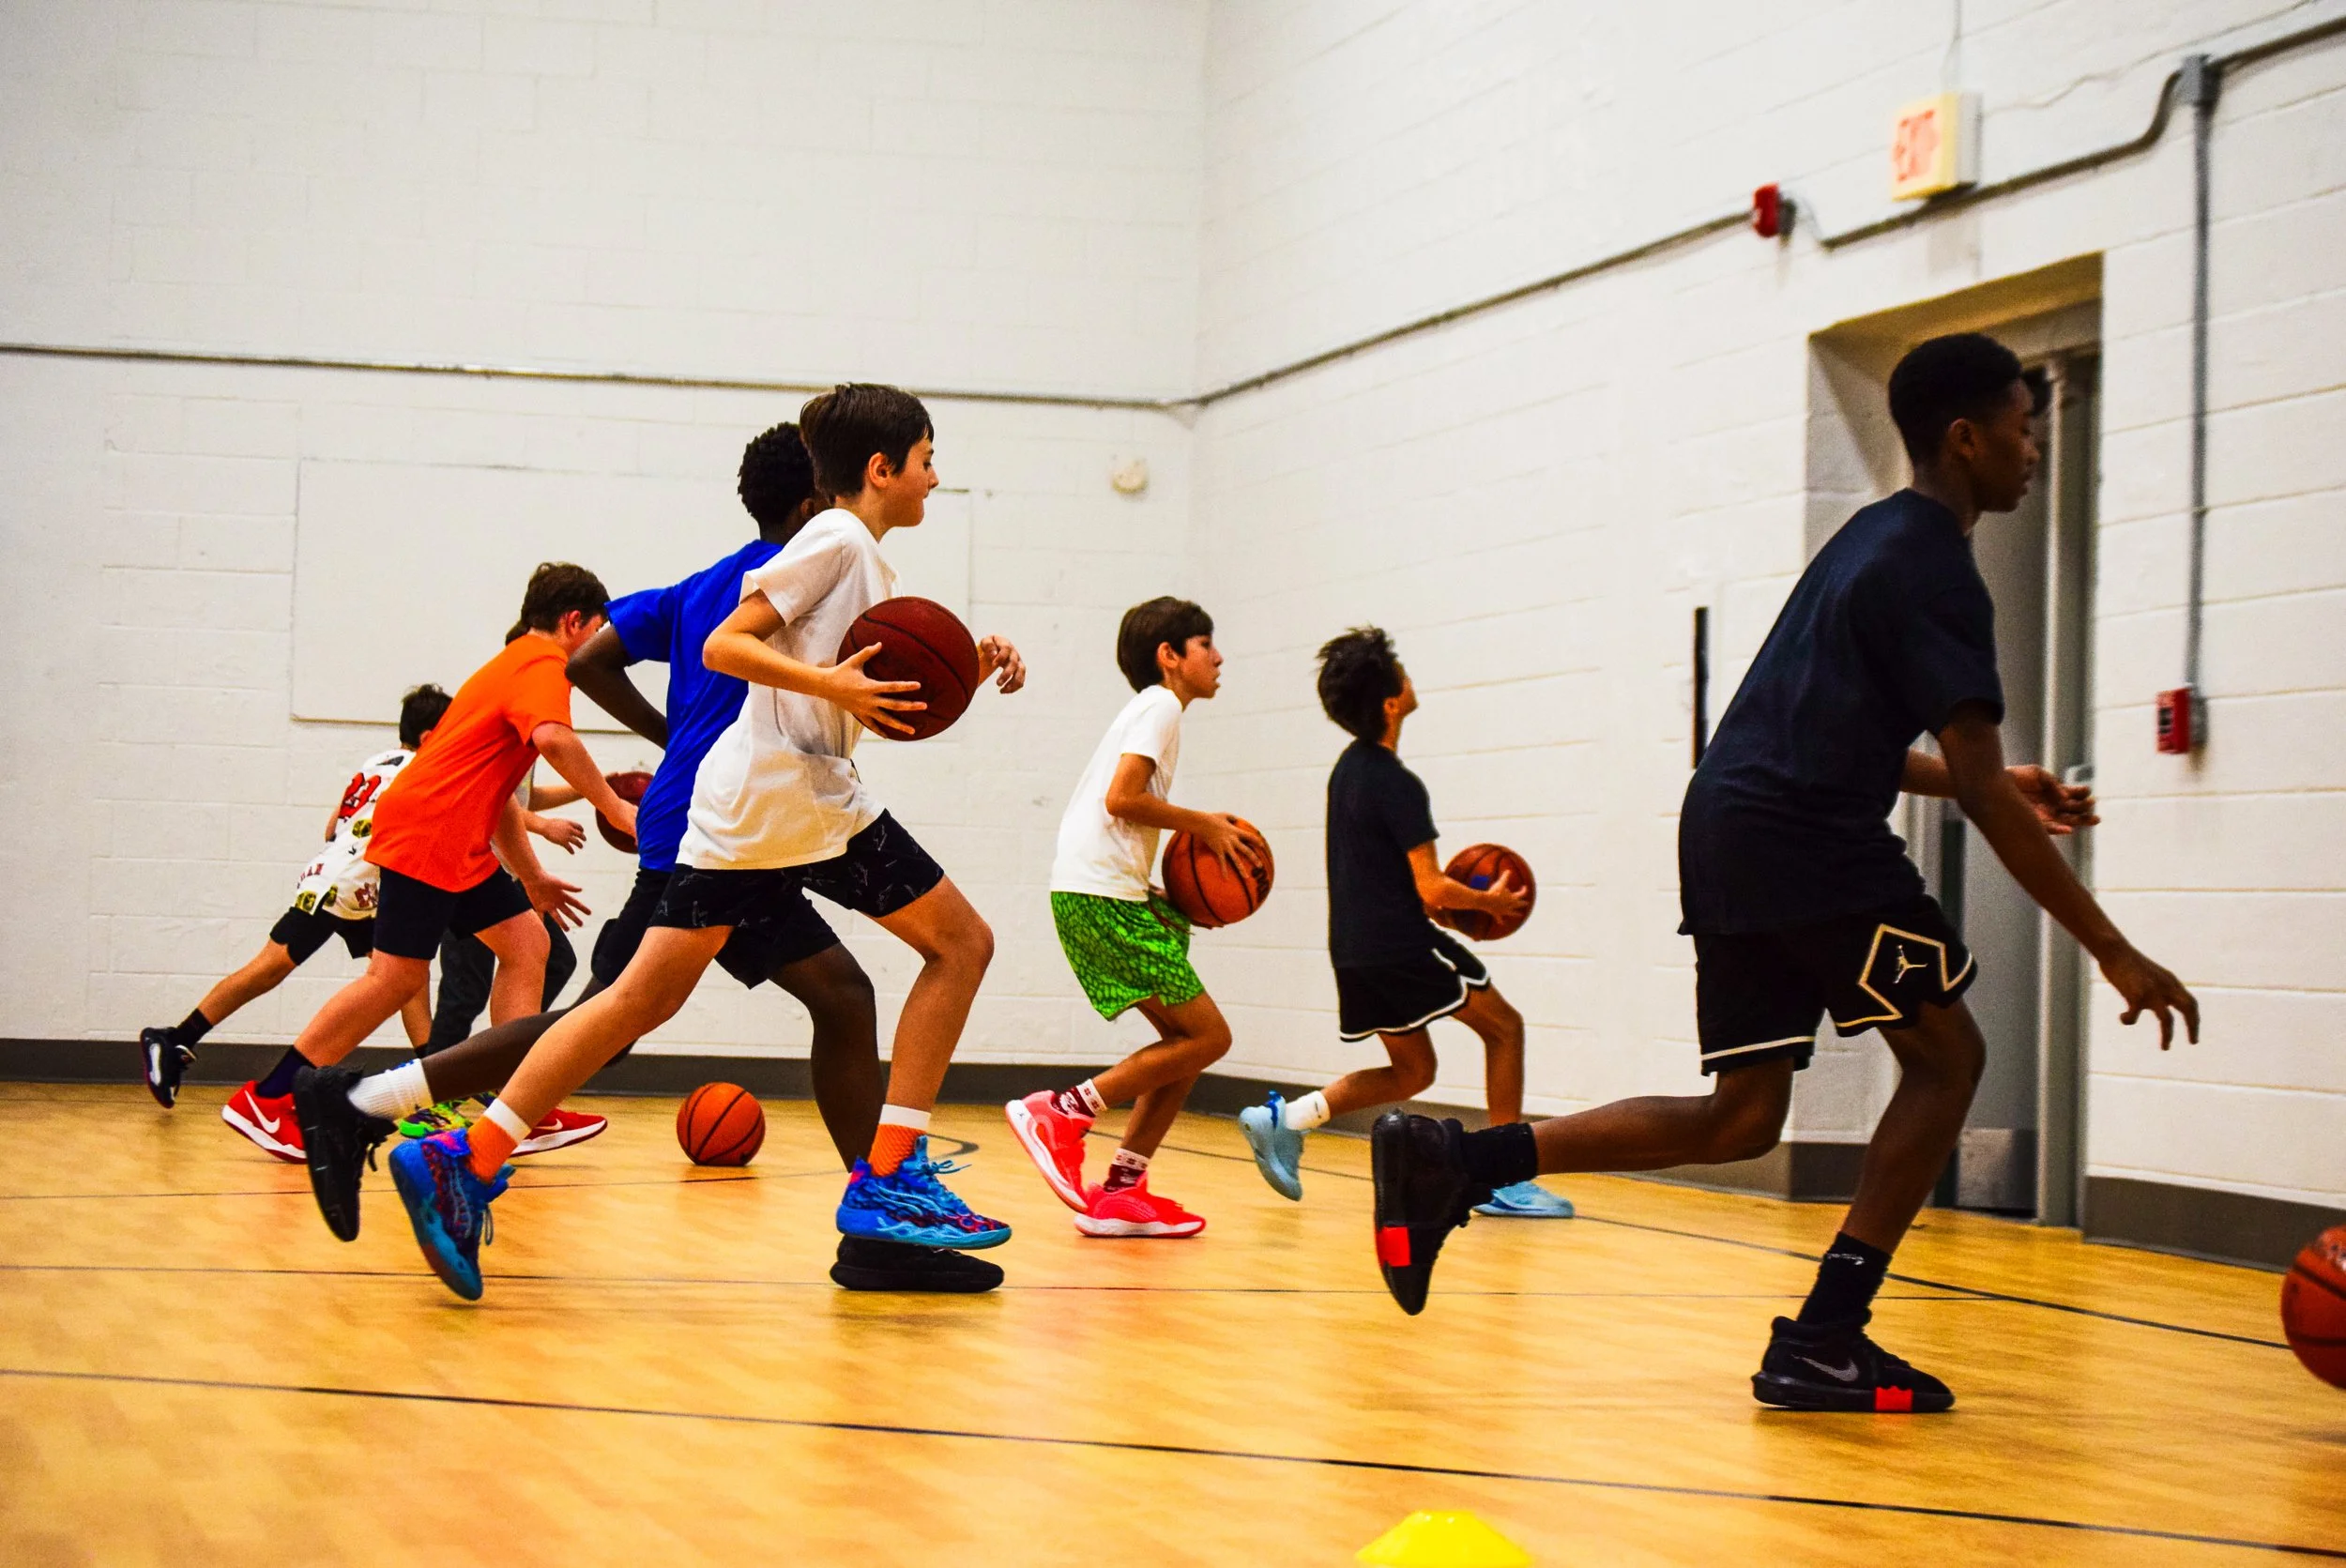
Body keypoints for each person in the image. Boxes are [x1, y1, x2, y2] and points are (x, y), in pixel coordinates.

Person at [1366, 333, 2200, 1416]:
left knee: (1743, 1116)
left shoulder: (1868, 539)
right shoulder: (1938, 567)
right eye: (2022, 424)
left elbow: (1847, 738)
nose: (2032, 447)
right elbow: (1980, 791)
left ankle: (1456, 1163)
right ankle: (1825, 1335)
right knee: (1949, 1058)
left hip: (1731, 821)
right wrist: (2114, 951)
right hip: (1805, 838)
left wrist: (1989, 780)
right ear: (1966, 436)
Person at [295, 422, 994, 1292]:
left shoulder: (710, 579)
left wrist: (672, 737)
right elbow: (747, 657)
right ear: (825, 491)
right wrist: (689, 742)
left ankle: (881, 1220)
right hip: (743, 818)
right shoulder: (814, 558)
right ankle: (371, 1102)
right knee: (618, 1015)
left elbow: (590, 657)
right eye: (925, 460)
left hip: (735, 811)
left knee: (781, 998)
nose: (935, 475)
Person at [224, 563, 638, 1165]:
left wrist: (532, 877)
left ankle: (517, 1105)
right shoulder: (543, 665)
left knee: (527, 945)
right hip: (428, 833)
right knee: (392, 982)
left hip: (456, 840)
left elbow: (497, 799)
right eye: (599, 628)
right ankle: (270, 1096)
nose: (602, 642)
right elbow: (556, 741)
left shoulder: (511, 668)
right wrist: (616, 807)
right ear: (574, 622)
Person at [1234, 627, 1572, 1219]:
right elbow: (1430, 885)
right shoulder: (1398, 782)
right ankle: (1505, 1178)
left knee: (1414, 1071)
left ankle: (1287, 1119)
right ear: (1392, 703)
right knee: (1506, 1030)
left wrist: (1448, 911)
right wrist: (1489, 904)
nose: (1411, 680)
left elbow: (1385, 880)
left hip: (1357, 951)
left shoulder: (1348, 772)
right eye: (1403, 674)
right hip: (1401, 947)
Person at [1005, 596, 1266, 1238]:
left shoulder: (1152, 709)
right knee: (1210, 1038)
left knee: (1185, 1048)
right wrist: (1203, 822)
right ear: (1170, 656)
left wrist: (1152, 888)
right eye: (1207, 643)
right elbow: (1122, 799)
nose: (1219, 656)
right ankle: (1062, 1111)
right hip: (1098, 896)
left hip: (1105, 890)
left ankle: (1124, 1187)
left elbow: (1112, 816)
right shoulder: (1161, 704)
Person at [139, 684, 450, 1146]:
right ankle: (432, 1096)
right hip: (354, 885)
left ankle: (176, 1037)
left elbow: (331, 826)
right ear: (429, 738)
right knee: (395, 977)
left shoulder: (376, 763)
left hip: (334, 875)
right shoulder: (423, 769)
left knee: (394, 977)